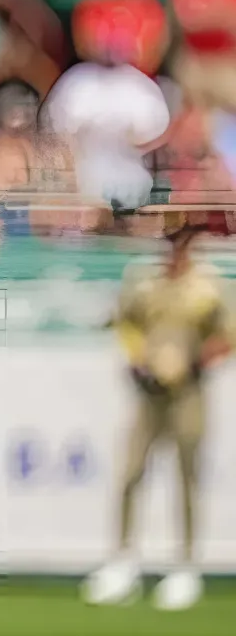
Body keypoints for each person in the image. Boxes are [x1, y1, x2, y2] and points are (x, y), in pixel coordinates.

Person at [83, 212, 231, 612]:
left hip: (189, 392)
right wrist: (138, 362)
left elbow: (227, 336)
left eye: (181, 239)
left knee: (187, 474)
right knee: (131, 471)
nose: (174, 246)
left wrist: (196, 364)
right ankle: (123, 561)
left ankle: (185, 566)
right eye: (169, 239)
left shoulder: (209, 286)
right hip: (148, 393)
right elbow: (125, 325)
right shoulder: (143, 281)